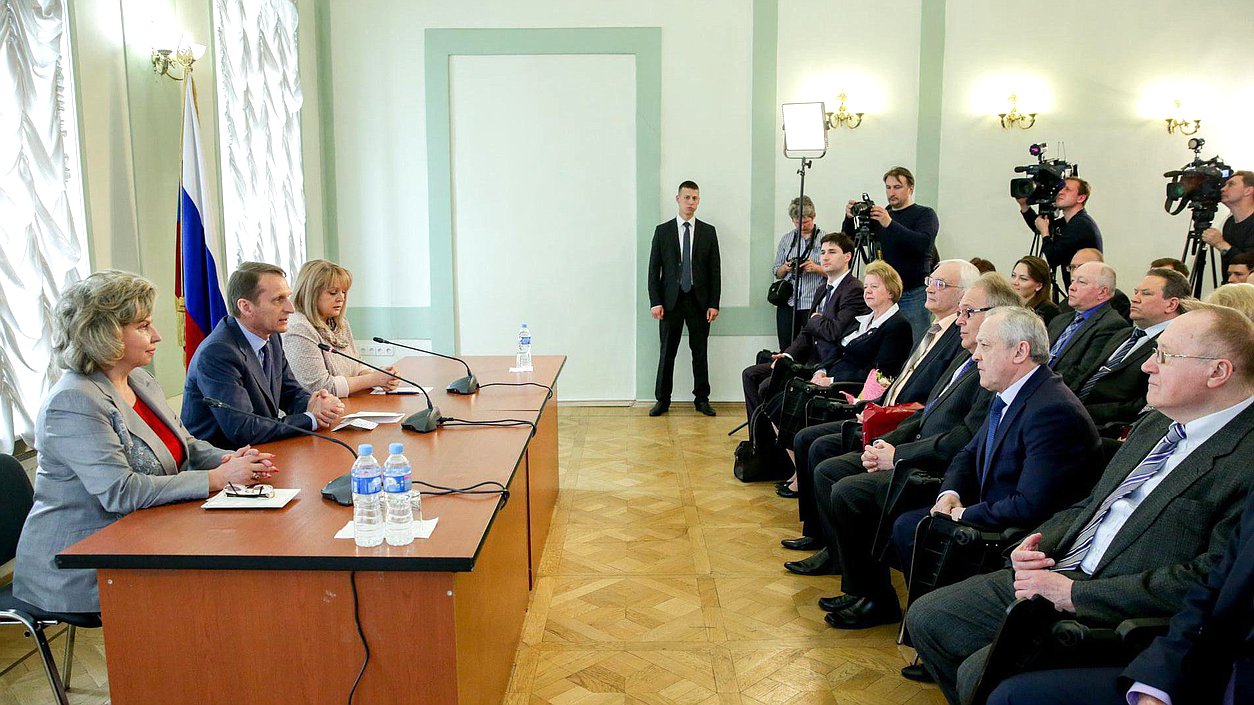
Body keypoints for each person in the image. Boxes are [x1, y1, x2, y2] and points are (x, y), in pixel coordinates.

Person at [907, 305, 1254, 705]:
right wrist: (1036, 544)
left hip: (1113, 605)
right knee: (928, 619)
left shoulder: (1245, 459)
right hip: (1059, 568)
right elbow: (1092, 505)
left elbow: (1210, 579)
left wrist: (1073, 594)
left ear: (1217, 372)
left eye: (1163, 355)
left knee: (982, 678)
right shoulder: (1158, 422)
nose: (1146, 366)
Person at [818, 306, 1100, 630]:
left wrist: (963, 514)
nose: (976, 356)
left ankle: (938, 627)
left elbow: (1030, 505)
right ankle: (926, 623)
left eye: (986, 346)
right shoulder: (1012, 391)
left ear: (1020, 351)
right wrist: (950, 493)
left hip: (1025, 534)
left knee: (910, 526)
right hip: (984, 502)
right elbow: (968, 453)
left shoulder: (1052, 411)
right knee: (905, 523)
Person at [13, 271, 275, 615]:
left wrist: (230, 460)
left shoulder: (138, 379)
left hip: (149, 535)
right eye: (142, 326)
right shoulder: (73, 402)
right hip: (85, 563)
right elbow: (121, 491)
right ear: (104, 334)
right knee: (215, 594)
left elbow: (187, 445)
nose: (157, 335)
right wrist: (218, 479)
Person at [782, 273, 1008, 578]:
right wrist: (885, 440)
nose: (960, 320)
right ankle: (834, 552)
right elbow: (927, 408)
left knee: (839, 478)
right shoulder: (960, 353)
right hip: (897, 424)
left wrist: (898, 451)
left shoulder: (986, 365)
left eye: (968, 312)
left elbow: (963, 436)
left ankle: (868, 591)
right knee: (820, 455)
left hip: (929, 460)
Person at [983, 487, 1254, 705]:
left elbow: (1193, 579)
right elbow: (1213, 591)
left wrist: (1076, 594)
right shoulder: (1152, 428)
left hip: (1113, 606)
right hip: (1204, 667)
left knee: (987, 665)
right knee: (1011, 694)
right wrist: (1157, 684)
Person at [183, 262, 345, 449]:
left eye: (288, 298)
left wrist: (316, 403)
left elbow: (290, 392)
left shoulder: (271, 336)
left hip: (263, 449)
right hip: (224, 462)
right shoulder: (218, 353)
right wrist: (310, 419)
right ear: (246, 307)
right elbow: (243, 429)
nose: (290, 308)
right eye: (278, 300)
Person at [743, 233, 866, 425]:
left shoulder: (854, 289)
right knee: (751, 375)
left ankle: (773, 439)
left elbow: (834, 331)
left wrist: (815, 320)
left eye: (832, 252)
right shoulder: (822, 288)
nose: (825, 257)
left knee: (768, 386)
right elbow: (807, 332)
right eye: (823, 252)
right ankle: (758, 438)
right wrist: (788, 355)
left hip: (827, 364)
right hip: (808, 359)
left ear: (848, 256)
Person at [1077, 268, 1189, 427]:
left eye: (1146, 293)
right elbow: (1088, 375)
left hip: (1104, 427)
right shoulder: (1123, 333)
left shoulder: (1174, 345)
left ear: (1171, 304)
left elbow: (1144, 403)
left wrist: (1079, 412)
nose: (1134, 299)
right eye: (1136, 292)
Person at [648, 180, 721, 417]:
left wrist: (713, 303)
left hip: (699, 302)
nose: (691, 202)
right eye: (687, 197)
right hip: (670, 302)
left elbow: (715, 270)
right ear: (678, 199)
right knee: (667, 351)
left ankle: (702, 399)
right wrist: (655, 301)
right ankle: (662, 399)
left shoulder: (708, 231)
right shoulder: (663, 231)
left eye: (695, 198)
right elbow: (653, 270)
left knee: (699, 352)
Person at [842, 166, 940, 344]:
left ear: (910, 188)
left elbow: (923, 244)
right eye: (888, 187)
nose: (891, 192)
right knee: (884, 342)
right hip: (885, 294)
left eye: (897, 187)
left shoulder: (924, 214)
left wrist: (890, 223)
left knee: (915, 344)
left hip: (914, 292)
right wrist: (849, 219)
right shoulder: (882, 216)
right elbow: (850, 244)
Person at [283, 259, 400, 396]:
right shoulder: (299, 328)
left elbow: (356, 365)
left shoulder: (339, 323)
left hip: (347, 404)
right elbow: (321, 388)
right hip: (318, 413)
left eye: (344, 292)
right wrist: (373, 379)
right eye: (333, 292)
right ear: (311, 293)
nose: (341, 298)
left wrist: (381, 377)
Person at [811, 260, 913, 386]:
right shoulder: (862, 319)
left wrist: (832, 381)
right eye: (865, 287)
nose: (868, 291)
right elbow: (838, 350)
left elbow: (882, 375)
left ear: (890, 292)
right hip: (827, 380)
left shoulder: (898, 326)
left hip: (848, 391)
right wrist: (821, 370)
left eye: (874, 287)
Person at [1047, 261, 1131, 391]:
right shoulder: (1059, 320)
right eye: (1073, 280)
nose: (1071, 287)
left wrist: (1036, 380)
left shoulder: (1112, 325)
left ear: (1102, 292)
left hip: (1059, 393)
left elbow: (1083, 373)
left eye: (1082, 282)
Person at [1016, 177, 1102, 291]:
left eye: (1068, 189)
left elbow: (1053, 258)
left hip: (1087, 292)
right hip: (1080, 289)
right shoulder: (1071, 222)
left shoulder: (1080, 224)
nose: (1060, 192)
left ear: (1081, 198)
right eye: (1060, 189)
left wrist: (1045, 232)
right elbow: (1040, 227)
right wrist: (1024, 206)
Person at [771, 196, 826, 349]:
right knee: (786, 347)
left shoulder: (825, 240)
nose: (801, 226)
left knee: (813, 348)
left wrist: (815, 268)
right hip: (789, 302)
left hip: (813, 303)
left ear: (813, 217)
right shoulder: (787, 239)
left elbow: (835, 272)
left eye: (806, 221)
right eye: (797, 222)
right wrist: (786, 267)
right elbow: (776, 271)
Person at [1201, 170, 1254, 270]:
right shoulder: (1229, 223)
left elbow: (1250, 265)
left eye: (1231, 184)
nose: (1223, 189)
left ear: (1248, 190)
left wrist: (1220, 244)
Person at [1060, 248, 1131, 321]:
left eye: (1083, 266)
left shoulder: (1116, 300)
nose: (1075, 271)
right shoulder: (1064, 305)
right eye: (1072, 267)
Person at [1009, 255, 1060, 325]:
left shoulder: (1048, 312)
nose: (1015, 282)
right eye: (1013, 276)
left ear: (1039, 286)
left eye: (1023, 279)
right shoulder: (1007, 306)